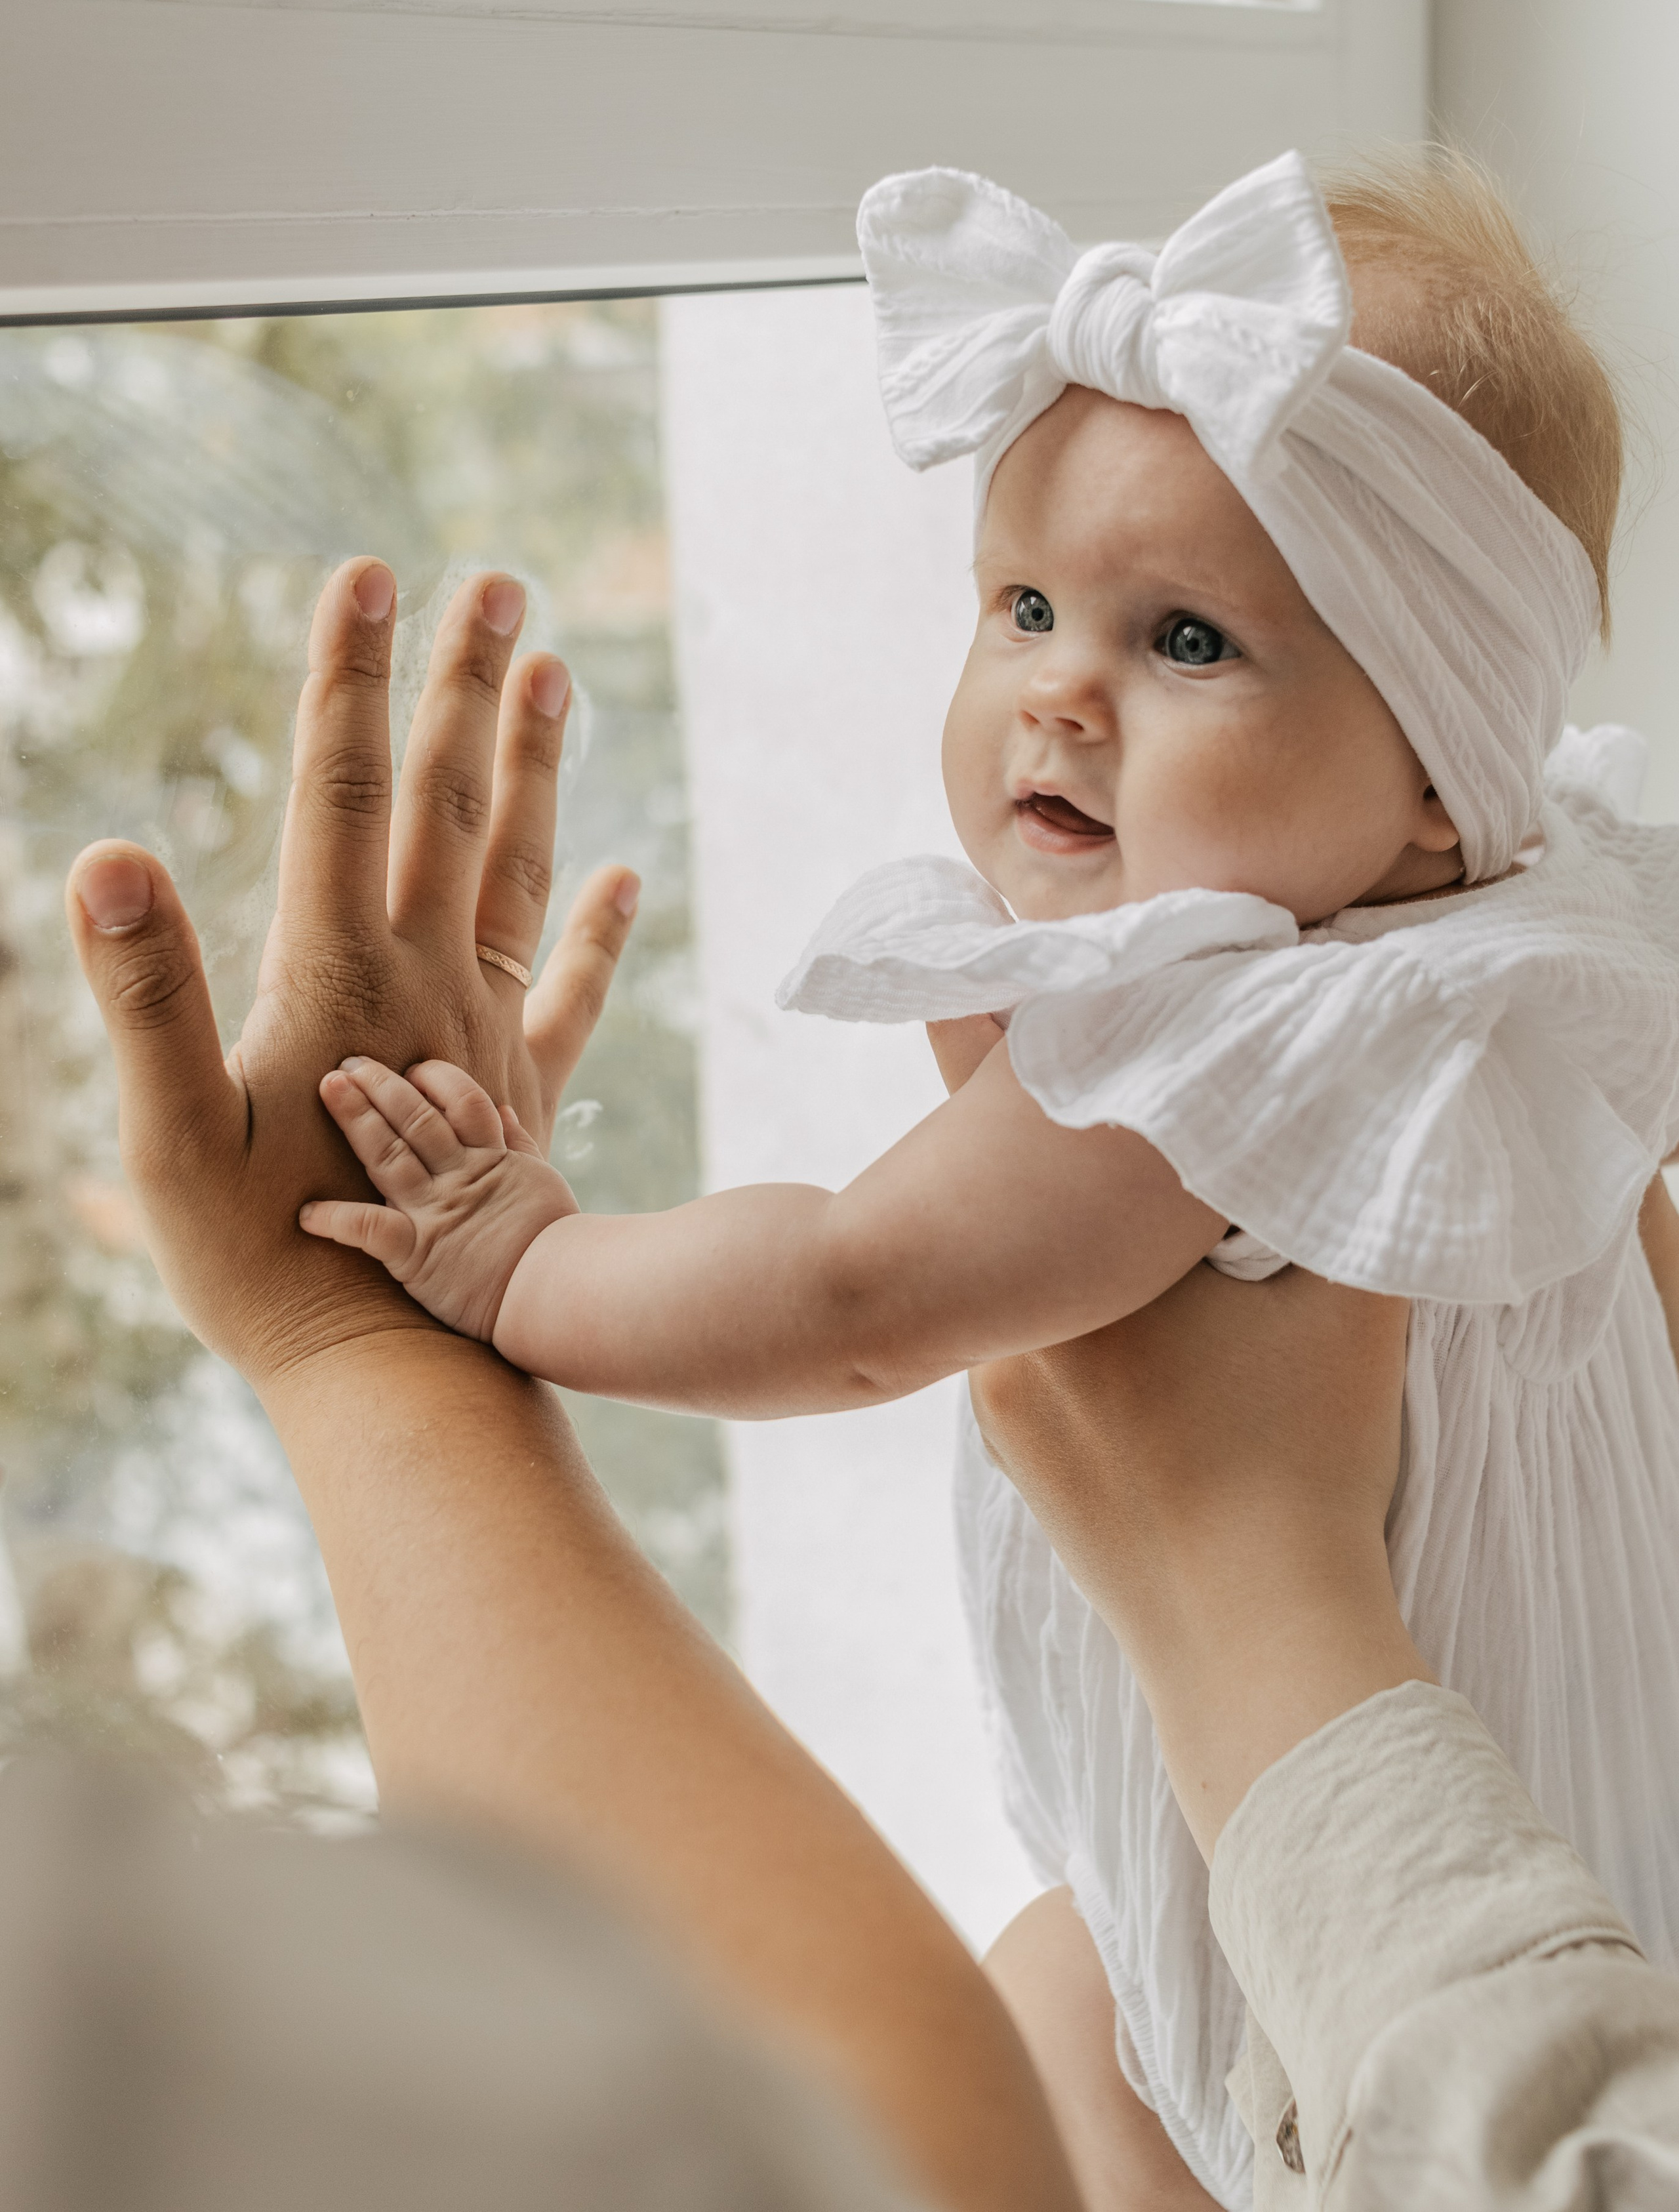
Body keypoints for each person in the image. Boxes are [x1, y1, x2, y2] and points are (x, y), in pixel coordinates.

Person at [291, 152, 1679, 2205]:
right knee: (1053, 2002)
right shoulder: (1547, 922)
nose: (1057, 684)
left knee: (1059, 2027)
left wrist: (519, 1261)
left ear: (1429, 788)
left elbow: (852, 1297)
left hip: (1324, 1903)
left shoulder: (1227, 1038)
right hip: (1531, 1815)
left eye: (1187, 636)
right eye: (1024, 603)